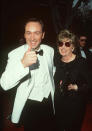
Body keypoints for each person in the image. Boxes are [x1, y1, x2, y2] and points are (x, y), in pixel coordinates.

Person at [0, 18, 56, 131]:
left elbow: (53, 70)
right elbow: (4, 84)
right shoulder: (15, 54)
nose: (32, 37)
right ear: (24, 35)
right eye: (28, 33)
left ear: (43, 35)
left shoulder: (50, 51)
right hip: (29, 104)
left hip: (49, 101)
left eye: (37, 33)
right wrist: (23, 64)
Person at [54, 29, 92, 131]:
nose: (63, 47)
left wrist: (77, 87)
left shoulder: (81, 62)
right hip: (59, 104)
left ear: (73, 47)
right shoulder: (56, 61)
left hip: (75, 105)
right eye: (60, 43)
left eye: (67, 44)